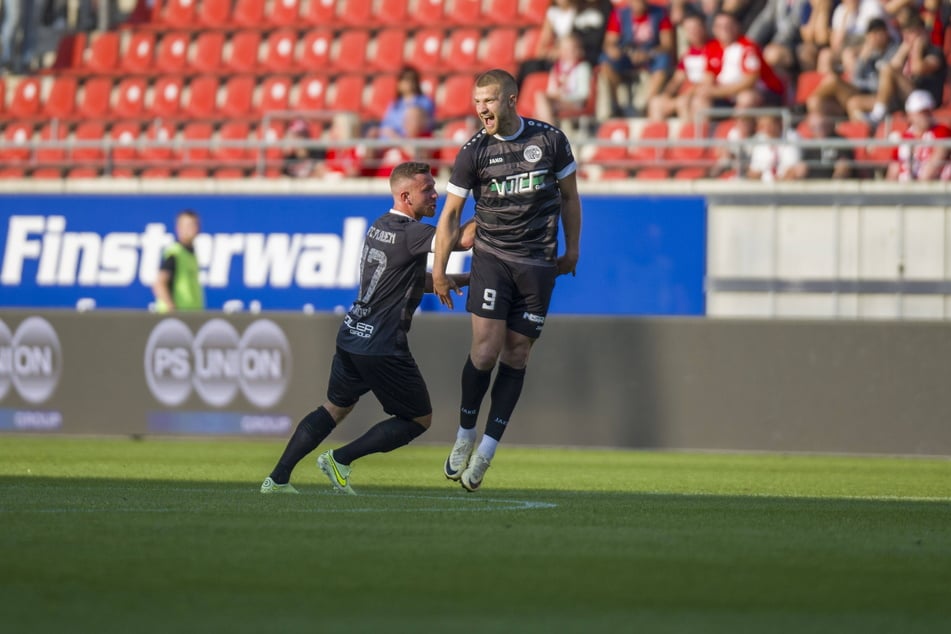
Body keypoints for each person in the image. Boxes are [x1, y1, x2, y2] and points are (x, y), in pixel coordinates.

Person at [260, 161, 475, 495]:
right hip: (382, 343)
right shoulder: (410, 232)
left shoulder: (380, 225)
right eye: (427, 190)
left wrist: (455, 278)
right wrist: (495, 206)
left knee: (334, 408)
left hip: (352, 334)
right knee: (418, 419)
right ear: (405, 196)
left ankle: (277, 479)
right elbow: (460, 240)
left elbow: (406, 279)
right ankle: (340, 459)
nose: (435, 195)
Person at [431, 69, 582, 492]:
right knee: (485, 350)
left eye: (490, 100)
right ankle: (464, 435)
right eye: (477, 101)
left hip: (538, 262)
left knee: (517, 355)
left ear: (512, 100)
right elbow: (449, 217)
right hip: (493, 257)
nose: (482, 109)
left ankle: (487, 451)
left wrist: (573, 249)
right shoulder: (473, 152)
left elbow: (570, 197)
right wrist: (439, 271)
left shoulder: (549, 141)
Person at [689, 11, 786, 121]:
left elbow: (749, 81)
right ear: (714, 29)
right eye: (720, 26)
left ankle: (739, 134)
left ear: (737, 27)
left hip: (763, 92)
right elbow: (708, 76)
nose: (724, 29)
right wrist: (705, 90)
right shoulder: (712, 48)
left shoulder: (748, 47)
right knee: (699, 99)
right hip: (729, 95)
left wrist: (716, 92)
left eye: (728, 26)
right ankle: (702, 135)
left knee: (746, 98)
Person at [862, 7, 947, 126]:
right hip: (904, 96)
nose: (909, 38)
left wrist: (917, 47)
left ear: (923, 33)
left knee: (888, 69)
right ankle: (870, 131)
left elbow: (918, 69)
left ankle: (877, 115)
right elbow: (893, 66)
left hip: (925, 98)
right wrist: (904, 49)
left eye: (913, 33)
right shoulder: (906, 50)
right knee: (854, 102)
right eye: (906, 34)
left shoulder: (934, 52)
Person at [806, 17, 898, 120]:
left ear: (886, 33)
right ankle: (804, 107)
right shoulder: (868, 52)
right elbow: (855, 77)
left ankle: (865, 128)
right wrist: (863, 58)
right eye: (872, 34)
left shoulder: (893, 51)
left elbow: (880, 83)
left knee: (849, 98)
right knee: (816, 101)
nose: (875, 38)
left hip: (879, 95)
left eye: (878, 33)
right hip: (861, 90)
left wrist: (861, 83)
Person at [599, 0, 676, 116]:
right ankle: (617, 103)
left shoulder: (660, 13)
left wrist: (648, 53)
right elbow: (609, 42)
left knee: (664, 60)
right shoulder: (620, 14)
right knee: (605, 62)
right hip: (626, 54)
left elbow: (667, 44)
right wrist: (613, 50)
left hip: (651, 53)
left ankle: (644, 105)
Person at [647, 9, 710, 121]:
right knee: (656, 103)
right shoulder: (688, 53)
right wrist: (666, 94)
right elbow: (677, 79)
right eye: (689, 29)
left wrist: (687, 94)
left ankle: (689, 136)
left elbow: (707, 80)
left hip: (700, 95)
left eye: (695, 28)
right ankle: (658, 136)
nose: (693, 32)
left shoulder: (714, 49)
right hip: (685, 96)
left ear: (704, 28)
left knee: (684, 102)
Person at [886, 89, 951, 181]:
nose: (925, 116)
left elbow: (934, 165)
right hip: (904, 189)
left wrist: (917, 189)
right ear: (909, 115)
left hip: (930, 189)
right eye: (920, 113)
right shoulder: (904, 138)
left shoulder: (941, 132)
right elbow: (893, 172)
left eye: (927, 112)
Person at [534, 33, 593, 126]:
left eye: (572, 49)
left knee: (541, 99)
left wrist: (563, 96)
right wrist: (557, 95)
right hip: (559, 100)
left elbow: (583, 94)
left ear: (579, 50)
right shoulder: (556, 68)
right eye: (565, 49)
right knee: (540, 105)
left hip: (575, 102)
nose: (568, 52)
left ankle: (549, 131)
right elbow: (551, 90)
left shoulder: (582, 67)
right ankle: (546, 131)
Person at [152, 209, 204, 313]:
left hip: (190, 314)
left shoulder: (191, 254)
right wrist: (172, 308)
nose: (192, 229)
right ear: (178, 228)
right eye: (188, 226)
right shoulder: (175, 253)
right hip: (176, 316)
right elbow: (159, 283)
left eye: (194, 225)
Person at [792, 109, 855, 179]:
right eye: (814, 127)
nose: (818, 129)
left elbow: (844, 166)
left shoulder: (840, 141)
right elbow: (802, 167)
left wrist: (835, 184)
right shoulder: (809, 144)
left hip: (833, 184)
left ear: (829, 124)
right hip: (811, 184)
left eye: (821, 126)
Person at [378, 66, 435, 140]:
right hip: (387, 142)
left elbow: (417, 126)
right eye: (404, 79)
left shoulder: (425, 102)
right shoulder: (394, 104)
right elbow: (386, 124)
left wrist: (394, 135)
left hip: (408, 142)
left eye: (412, 79)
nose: (408, 83)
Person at [746, 113, 803, 181]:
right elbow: (754, 170)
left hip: (786, 184)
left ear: (778, 123)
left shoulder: (791, 137)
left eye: (769, 125)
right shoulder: (760, 139)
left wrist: (779, 180)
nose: (767, 129)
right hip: (762, 185)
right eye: (763, 126)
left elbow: (792, 169)